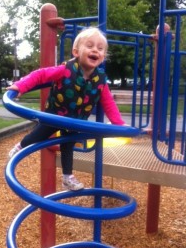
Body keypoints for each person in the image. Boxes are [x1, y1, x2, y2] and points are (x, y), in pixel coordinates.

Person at [7, 27, 126, 191]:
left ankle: (67, 177)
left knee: (68, 146)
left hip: (75, 121)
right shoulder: (64, 70)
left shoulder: (100, 81)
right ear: (76, 52)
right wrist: (20, 86)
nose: (95, 50)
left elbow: (108, 103)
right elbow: (40, 75)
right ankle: (19, 147)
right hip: (55, 115)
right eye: (90, 46)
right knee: (38, 135)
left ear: (103, 56)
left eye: (100, 48)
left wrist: (118, 124)